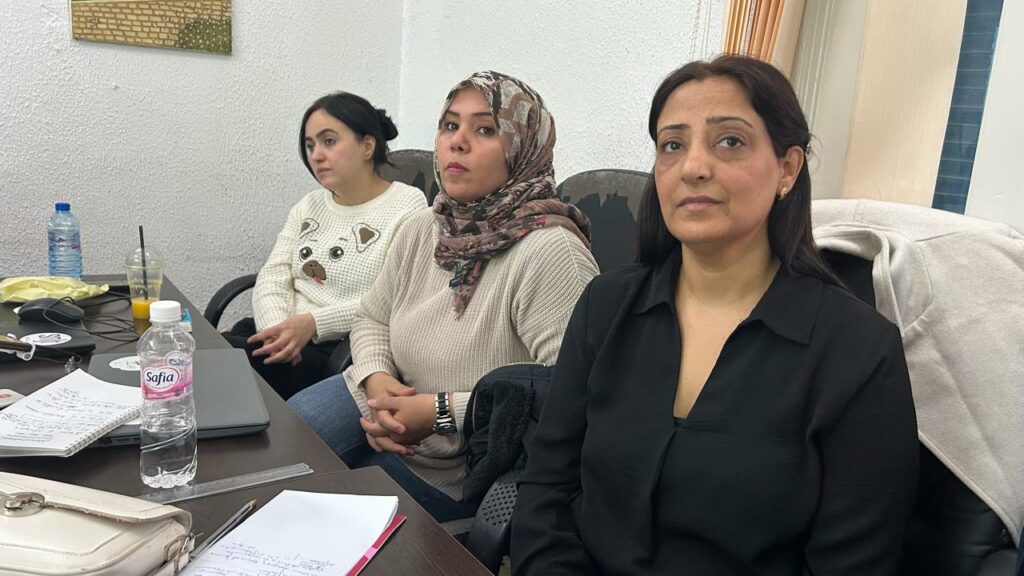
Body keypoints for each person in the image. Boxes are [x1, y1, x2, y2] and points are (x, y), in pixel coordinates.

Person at [511, 55, 919, 575]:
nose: (693, 167)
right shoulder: (606, 305)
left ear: (787, 169)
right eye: (672, 145)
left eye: (729, 141)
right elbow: (547, 489)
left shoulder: (858, 351)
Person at [288, 71, 598, 522]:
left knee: (321, 518)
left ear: (523, 147)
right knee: (278, 448)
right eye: (450, 125)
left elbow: (568, 398)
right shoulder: (425, 228)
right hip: (387, 402)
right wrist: (376, 381)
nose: (458, 142)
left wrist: (438, 413)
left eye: (485, 129)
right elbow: (373, 317)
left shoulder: (551, 252)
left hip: (463, 462)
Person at [224, 92, 427, 399]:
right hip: (282, 338)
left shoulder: (408, 205)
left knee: (202, 361)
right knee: (200, 350)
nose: (316, 155)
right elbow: (274, 273)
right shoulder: (310, 204)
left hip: (334, 350)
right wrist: (279, 331)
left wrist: (313, 324)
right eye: (310, 146)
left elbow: (393, 298)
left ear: (367, 146)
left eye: (329, 141)